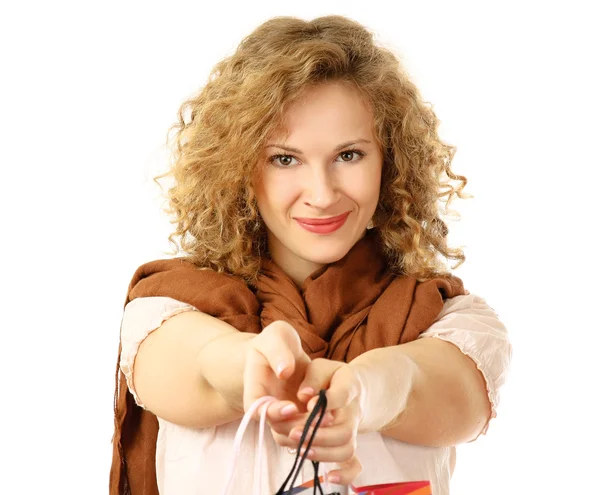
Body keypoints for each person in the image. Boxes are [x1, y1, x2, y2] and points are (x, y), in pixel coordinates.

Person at [110, 14, 511, 495]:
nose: (321, 194)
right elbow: (198, 366)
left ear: (391, 160)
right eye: (285, 159)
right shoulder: (165, 309)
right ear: (240, 170)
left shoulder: (456, 322)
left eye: (349, 155)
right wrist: (254, 366)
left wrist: (359, 393)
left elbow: (420, 385)